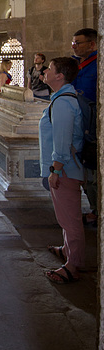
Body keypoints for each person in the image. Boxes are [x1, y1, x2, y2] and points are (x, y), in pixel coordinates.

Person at [39, 57, 85, 284]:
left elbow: (63, 140)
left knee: (70, 219)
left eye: (50, 69)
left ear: (59, 76)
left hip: (64, 169)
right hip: (64, 168)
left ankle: (73, 266)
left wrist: (55, 170)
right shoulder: (61, 99)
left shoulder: (64, 103)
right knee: (66, 216)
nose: (45, 71)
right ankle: (68, 250)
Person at [72, 28, 98, 226]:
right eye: (73, 42)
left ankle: (97, 212)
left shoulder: (97, 65)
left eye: (78, 42)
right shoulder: (77, 66)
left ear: (92, 44)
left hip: (94, 127)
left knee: (93, 173)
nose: (74, 46)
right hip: (81, 126)